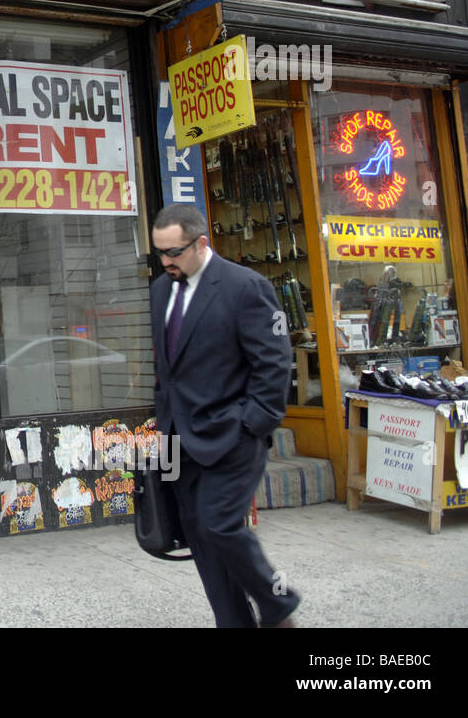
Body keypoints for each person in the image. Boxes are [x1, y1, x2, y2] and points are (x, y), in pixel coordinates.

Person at [149, 203, 299, 627]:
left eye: (174, 252)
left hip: (232, 436)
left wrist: (253, 424)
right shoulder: (161, 290)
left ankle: (278, 603)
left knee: (221, 526)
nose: (166, 262)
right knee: (201, 541)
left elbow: (273, 365)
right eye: (159, 253)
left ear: (201, 243)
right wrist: (164, 431)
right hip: (179, 441)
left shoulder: (245, 287)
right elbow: (168, 368)